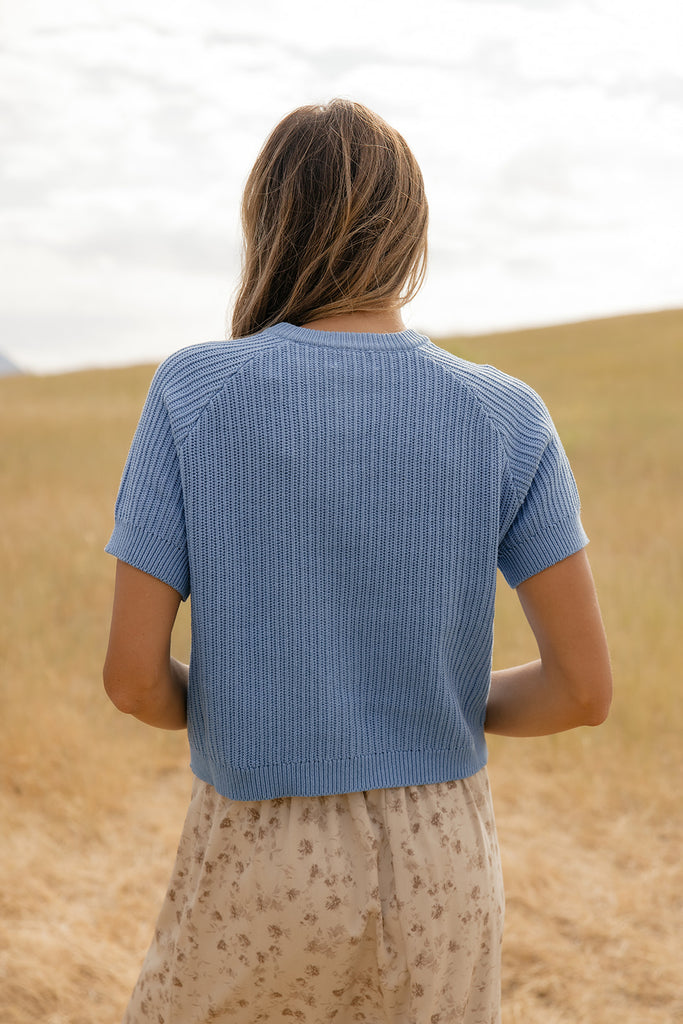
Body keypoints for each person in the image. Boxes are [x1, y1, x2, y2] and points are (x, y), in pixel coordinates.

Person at [103, 98, 612, 1024]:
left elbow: (134, 682)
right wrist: (426, 708)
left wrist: (252, 708)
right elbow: (582, 692)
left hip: (261, 853)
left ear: (268, 223)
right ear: (409, 233)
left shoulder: (195, 393)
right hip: (443, 862)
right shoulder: (506, 414)